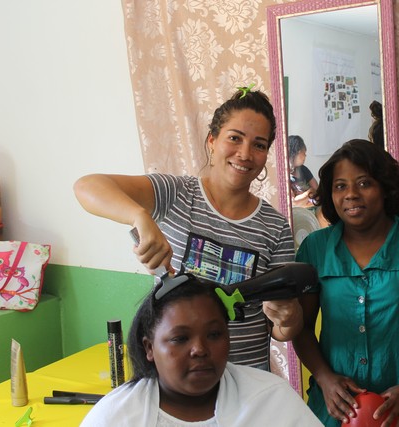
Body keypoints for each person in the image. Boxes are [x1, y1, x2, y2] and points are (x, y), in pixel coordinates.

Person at [74, 88, 303, 371]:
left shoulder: (275, 227)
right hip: (177, 378)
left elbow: (280, 330)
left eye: (259, 145)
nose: (245, 154)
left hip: (246, 380)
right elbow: (87, 186)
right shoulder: (176, 193)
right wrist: (139, 216)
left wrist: (289, 318)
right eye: (234, 138)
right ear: (212, 140)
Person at [292, 139, 399, 426]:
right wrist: (324, 378)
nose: (351, 194)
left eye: (364, 183)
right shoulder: (315, 248)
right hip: (335, 410)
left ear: (385, 188)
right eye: (340, 186)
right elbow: (301, 327)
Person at [80, 275, 324, 426]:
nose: (199, 349)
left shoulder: (271, 400)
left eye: (214, 334)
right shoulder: (115, 417)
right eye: (180, 338)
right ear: (149, 348)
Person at [288, 135, 319, 209]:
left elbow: (317, 190)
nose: (305, 156)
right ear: (297, 153)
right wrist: (309, 192)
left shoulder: (303, 169)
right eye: (304, 153)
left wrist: (303, 197)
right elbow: (293, 202)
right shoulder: (284, 175)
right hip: (299, 211)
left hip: (312, 206)